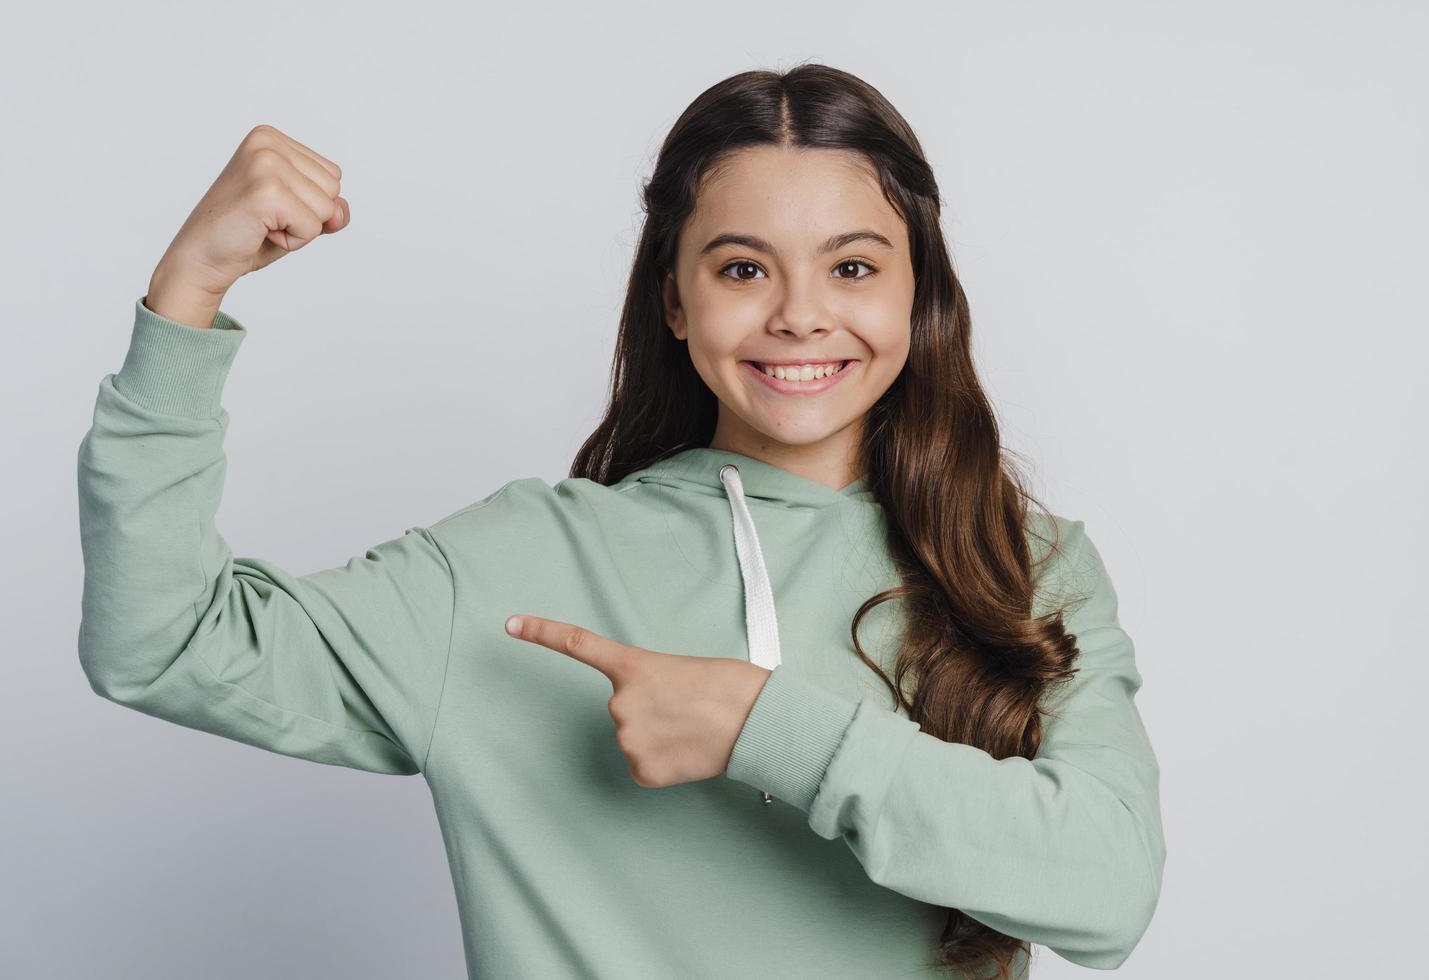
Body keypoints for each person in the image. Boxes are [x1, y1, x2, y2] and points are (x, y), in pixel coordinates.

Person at [76, 64, 1165, 979]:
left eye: (850, 265)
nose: (798, 311)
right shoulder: (518, 563)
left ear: (914, 292)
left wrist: (764, 725)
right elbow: (162, 640)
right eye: (742, 266)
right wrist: (191, 289)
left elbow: (1108, 888)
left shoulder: (1020, 564)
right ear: (673, 298)